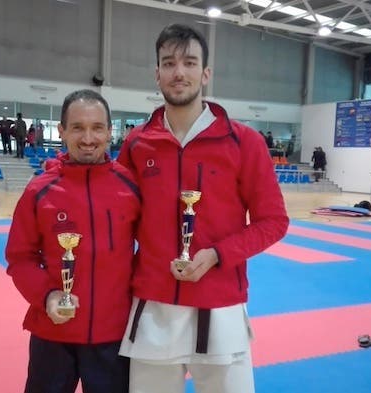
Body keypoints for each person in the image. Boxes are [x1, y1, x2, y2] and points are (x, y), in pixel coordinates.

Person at [117, 24, 289, 393]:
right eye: (169, 63)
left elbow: (273, 221)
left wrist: (217, 255)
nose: (179, 72)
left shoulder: (244, 142)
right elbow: (119, 222)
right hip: (153, 303)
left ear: (205, 73)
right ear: (157, 74)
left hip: (221, 303)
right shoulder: (135, 144)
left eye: (190, 62)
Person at [6, 89, 141, 393]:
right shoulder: (39, 191)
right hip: (52, 333)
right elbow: (20, 257)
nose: (88, 138)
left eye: (97, 128)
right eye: (78, 127)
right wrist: (48, 296)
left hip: (114, 338)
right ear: (62, 131)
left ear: (109, 132)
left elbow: (152, 248)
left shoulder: (130, 187)